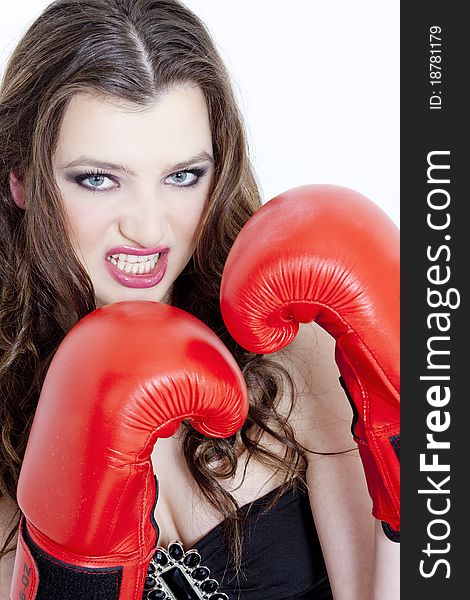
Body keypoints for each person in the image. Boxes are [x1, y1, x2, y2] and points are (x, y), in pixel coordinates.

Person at [0, 1, 399, 598]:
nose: (149, 227)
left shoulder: (299, 349)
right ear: (22, 180)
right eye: (98, 178)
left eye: (183, 175)